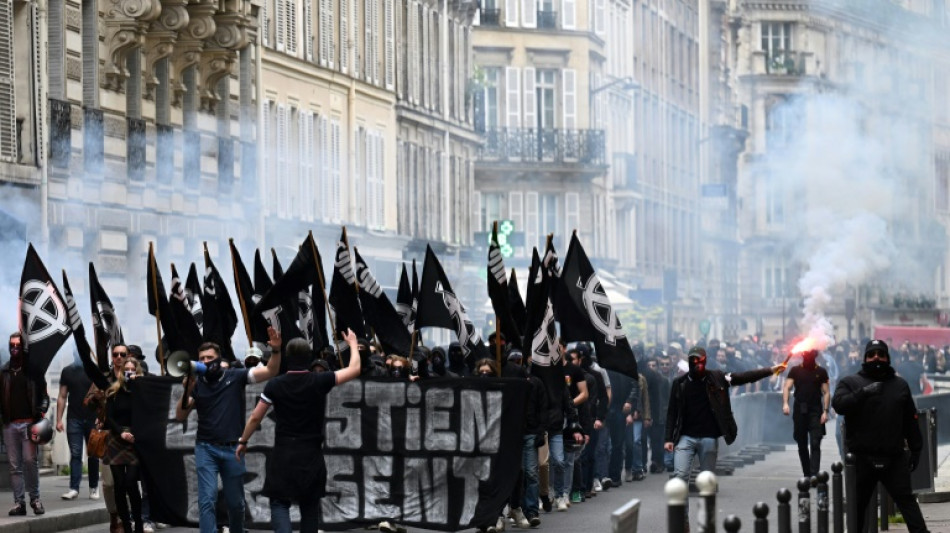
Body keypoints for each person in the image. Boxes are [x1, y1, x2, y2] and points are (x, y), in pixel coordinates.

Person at [236, 330, 361, 533]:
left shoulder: (275, 385)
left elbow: (255, 417)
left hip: (284, 452)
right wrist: (353, 344)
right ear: (309, 358)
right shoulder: (320, 381)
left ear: (287, 357)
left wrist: (243, 441)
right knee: (309, 506)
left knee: (279, 502)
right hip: (311, 454)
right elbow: (354, 369)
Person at [176, 327, 283, 533]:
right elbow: (180, 415)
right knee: (206, 499)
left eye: (209, 357)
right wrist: (187, 389)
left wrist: (276, 351)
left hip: (233, 448)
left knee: (236, 503)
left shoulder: (235, 376)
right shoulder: (196, 384)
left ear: (218, 359)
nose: (205, 361)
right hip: (205, 448)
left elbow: (271, 371)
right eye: (201, 358)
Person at [665, 346, 785, 525]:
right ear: (689, 362)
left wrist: (770, 370)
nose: (698, 365)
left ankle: (706, 523)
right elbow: (672, 412)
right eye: (694, 361)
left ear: (706, 361)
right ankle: (683, 524)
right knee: (680, 477)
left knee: (707, 484)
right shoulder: (680, 383)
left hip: (708, 438)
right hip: (685, 437)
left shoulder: (717, 377)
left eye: (701, 361)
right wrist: (668, 438)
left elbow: (743, 377)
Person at [832, 340, 929, 533]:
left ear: (887, 358)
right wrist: (863, 393)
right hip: (861, 458)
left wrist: (916, 448)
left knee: (908, 504)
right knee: (857, 511)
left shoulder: (899, 385)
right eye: (872, 354)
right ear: (865, 358)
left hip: (893, 458)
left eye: (880, 353)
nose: (876, 357)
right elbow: (839, 404)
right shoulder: (850, 382)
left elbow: (910, 419)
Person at [1, 332, 49, 516]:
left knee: (30, 461)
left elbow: (44, 396)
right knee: (14, 466)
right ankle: (19, 503)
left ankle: (35, 500)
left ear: (23, 347)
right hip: (9, 425)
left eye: (17, 345)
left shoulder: (33, 371)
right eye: (11, 345)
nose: (14, 348)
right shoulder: (4, 372)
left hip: (29, 424)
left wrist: (41, 410)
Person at [105, 358, 145, 533]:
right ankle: (126, 525)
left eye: (132, 369)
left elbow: (148, 414)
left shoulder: (142, 391)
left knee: (131, 483)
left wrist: (138, 387)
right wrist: (121, 431)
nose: (129, 372)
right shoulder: (114, 392)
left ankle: (139, 522)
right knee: (119, 484)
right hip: (117, 438)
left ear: (137, 371)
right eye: (126, 369)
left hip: (135, 439)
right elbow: (109, 417)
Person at [56, 351, 100, 501]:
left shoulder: (94, 370)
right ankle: (74, 488)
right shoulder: (67, 371)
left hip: (92, 418)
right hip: (74, 418)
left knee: (93, 454)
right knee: (75, 455)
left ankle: (93, 487)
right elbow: (62, 396)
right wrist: (58, 419)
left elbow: (102, 394)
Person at [782, 349, 830, 477]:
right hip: (800, 410)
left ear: (815, 355)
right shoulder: (795, 370)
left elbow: (826, 392)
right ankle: (807, 474)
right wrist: (785, 403)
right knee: (802, 443)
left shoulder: (821, 371)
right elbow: (787, 386)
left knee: (815, 442)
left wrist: (825, 411)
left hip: (815, 410)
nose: (808, 357)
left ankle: (814, 474)